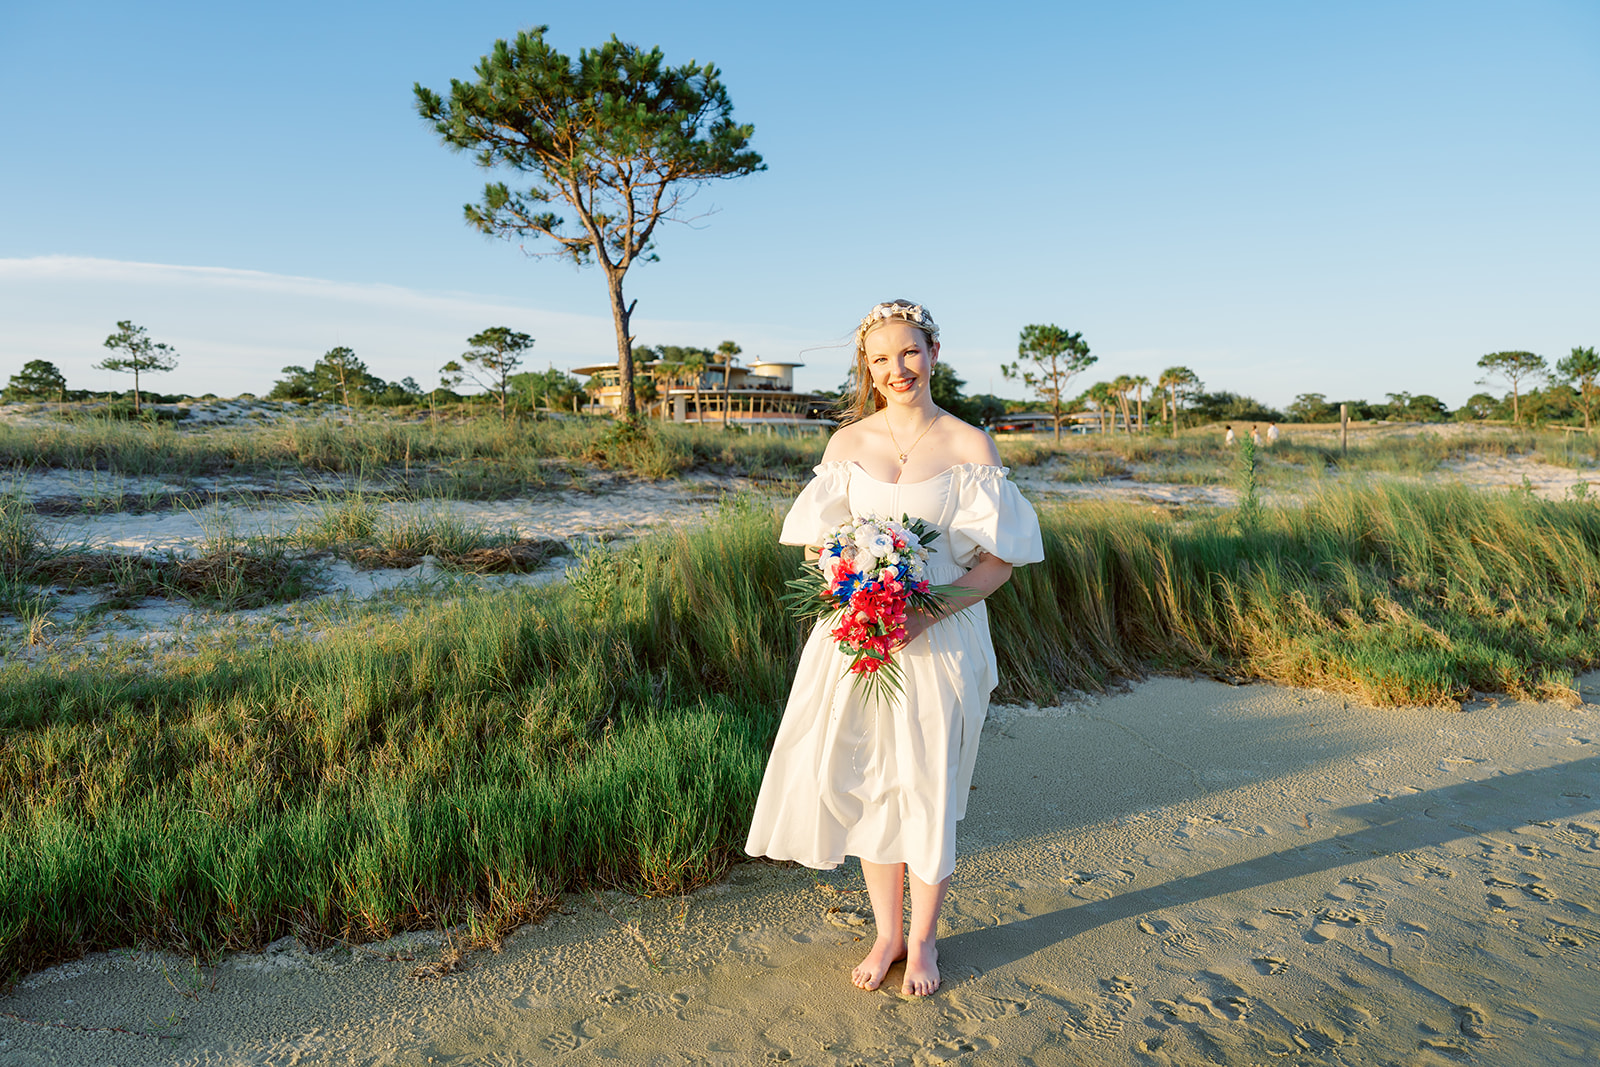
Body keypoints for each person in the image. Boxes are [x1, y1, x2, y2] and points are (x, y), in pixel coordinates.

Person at [745, 300, 1044, 997]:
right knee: (874, 786)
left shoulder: (971, 446)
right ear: (868, 368)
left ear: (934, 352)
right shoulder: (847, 445)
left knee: (928, 788)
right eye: (881, 359)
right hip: (860, 639)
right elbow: (822, 545)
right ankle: (886, 933)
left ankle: (925, 940)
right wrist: (849, 582)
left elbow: (997, 564)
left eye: (909, 353)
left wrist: (923, 613)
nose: (896, 369)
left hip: (940, 638)